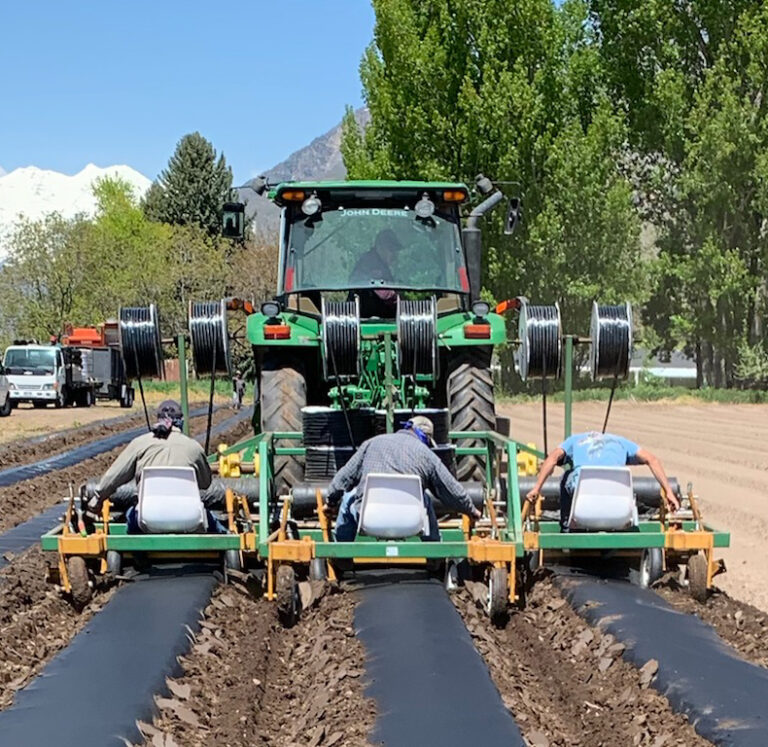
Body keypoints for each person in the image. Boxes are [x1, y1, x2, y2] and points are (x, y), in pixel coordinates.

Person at [326, 415, 482, 541]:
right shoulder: (427, 455)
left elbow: (342, 479)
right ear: (426, 438)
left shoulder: (371, 444)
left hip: (368, 520)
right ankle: (434, 555)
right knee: (425, 500)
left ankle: (342, 554)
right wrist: (470, 510)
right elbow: (450, 489)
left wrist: (331, 502)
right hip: (410, 523)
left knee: (348, 497)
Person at [87, 399, 220, 533]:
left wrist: (98, 499)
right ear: (181, 421)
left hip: (148, 519)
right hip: (189, 518)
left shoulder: (140, 443)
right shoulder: (194, 448)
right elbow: (205, 483)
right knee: (216, 525)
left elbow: (115, 476)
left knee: (128, 516)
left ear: (158, 420)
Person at [525, 430, 680, 530]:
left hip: (583, 489)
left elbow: (552, 458)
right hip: (617, 501)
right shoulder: (621, 442)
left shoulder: (574, 441)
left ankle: (566, 526)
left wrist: (537, 488)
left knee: (566, 477)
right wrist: (669, 492)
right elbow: (652, 460)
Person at [350, 228, 403, 317]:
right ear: (380, 247)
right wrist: (401, 301)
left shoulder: (382, 264)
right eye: (391, 250)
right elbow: (384, 294)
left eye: (395, 251)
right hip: (365, 318)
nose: (395, 255)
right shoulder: (370, 263)